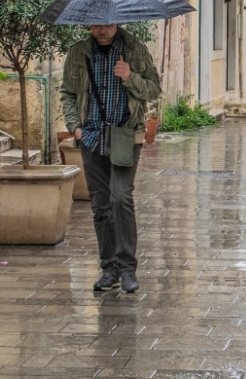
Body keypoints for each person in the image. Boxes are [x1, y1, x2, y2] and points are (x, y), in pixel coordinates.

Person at [60, 23, 161, 293]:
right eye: (96, 25)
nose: (101, 30)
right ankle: (109, 268)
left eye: (106, 24)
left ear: (116, 23)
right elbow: (68, 92)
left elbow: (154, 90)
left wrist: (130, 77)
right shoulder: (78, 53)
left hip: (126, 135)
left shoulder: (135, 49)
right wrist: (74, 128)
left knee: (120, 197)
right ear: (88, 25)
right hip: (91, 137)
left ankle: (128, 269)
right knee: (101, 205)